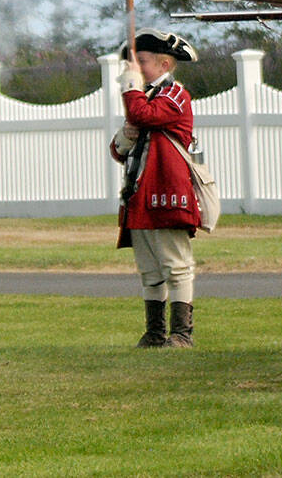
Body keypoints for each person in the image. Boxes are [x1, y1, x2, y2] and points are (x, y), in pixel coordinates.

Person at [109, 28, 201, 349]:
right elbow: (118, 150)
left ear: (165, 65)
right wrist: (127, 134)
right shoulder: (144, 98)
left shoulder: (175, 95)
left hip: (166, 193)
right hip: (140, 196)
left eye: (142, 61)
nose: (134, 68)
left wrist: (131, 86)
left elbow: (140, 112)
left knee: (176, 267)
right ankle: (155, 332)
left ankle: (181, 334)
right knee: (150, 271)